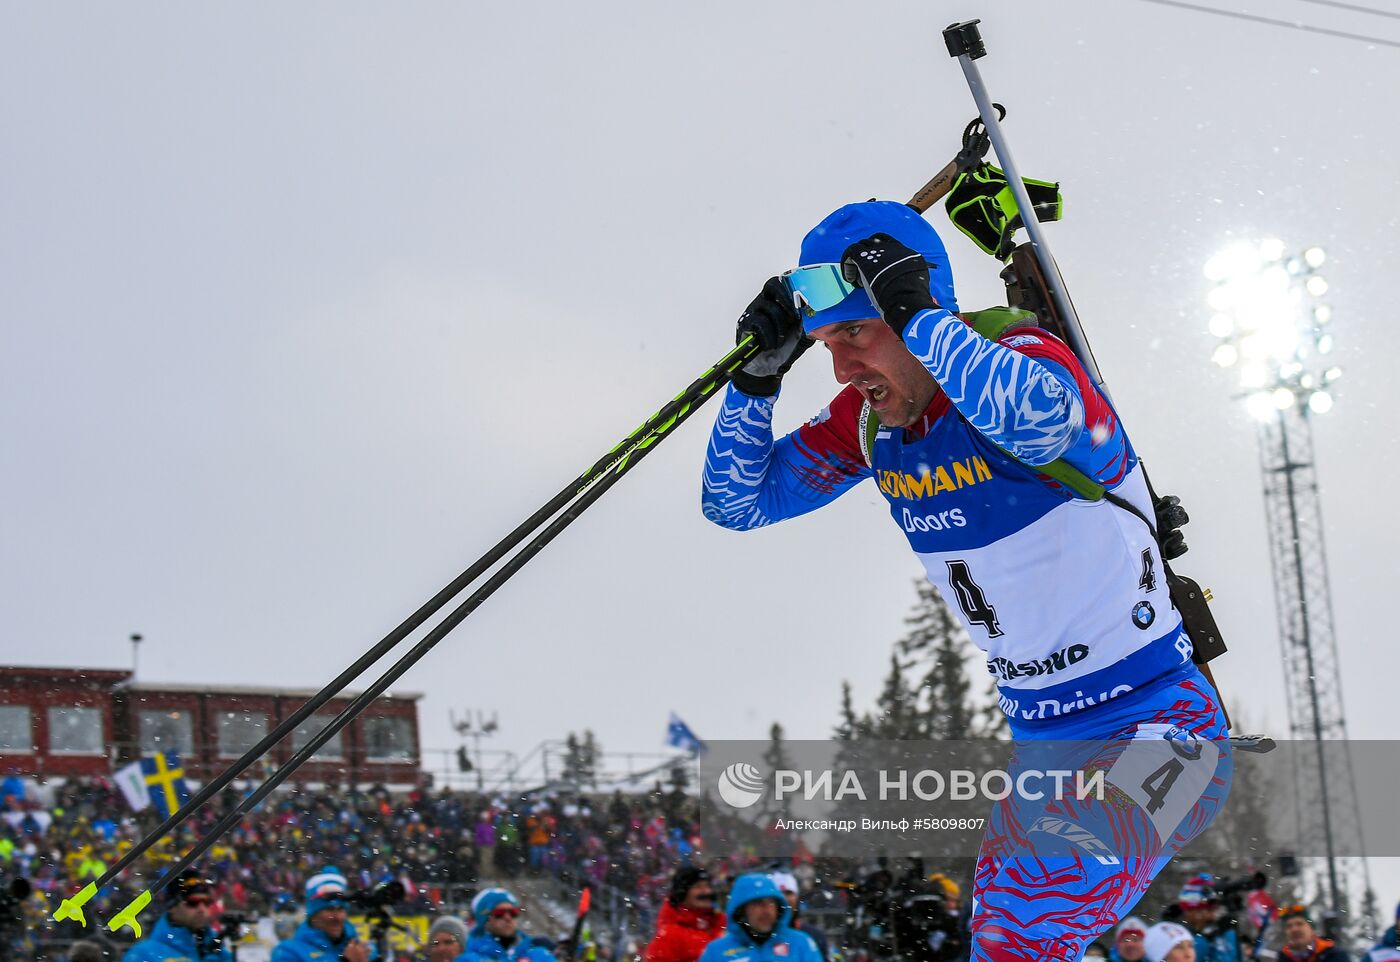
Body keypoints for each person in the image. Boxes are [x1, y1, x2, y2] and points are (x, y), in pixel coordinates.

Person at [699, 200, 1234, 962]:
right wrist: (754, 384)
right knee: (1002, 946)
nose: (844, 367)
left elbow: (1042, 421)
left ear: (914, 307)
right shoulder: (870, 420)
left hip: (1164, 730)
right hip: (1044, 746)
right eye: (823, 344)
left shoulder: (1018, 355)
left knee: (1026, 932)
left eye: (855, 332)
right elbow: (736, 501)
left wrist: (919, 316)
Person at [697, 873, 822, 962]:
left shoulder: (801, 943)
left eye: (771, 903)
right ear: (741, 910)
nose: (766, 910)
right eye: (757, 903)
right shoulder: (717, 951)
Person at [122, 870, 233, 962]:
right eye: (193, 902)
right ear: (172, 906)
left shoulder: (220, 950)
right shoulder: (143, 954)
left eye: (207, 902)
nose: (202, 909)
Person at [271, 868, 373, 962]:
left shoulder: (362, 951)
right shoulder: (288, 952)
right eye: (329, 909)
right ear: (313, 915)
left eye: (341, 909)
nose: (337, 917)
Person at [643, 866, 726, 962]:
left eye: (708, 886)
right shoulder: (668, 937)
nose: (706, 891)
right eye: (698, 887)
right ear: (682, 894)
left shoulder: (725, 923)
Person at [458, 888, 554, 962]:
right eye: (499, 913)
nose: (508, 918)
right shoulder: (469, 959)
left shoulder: (538, 955)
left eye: (512, 912)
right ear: (485, 919)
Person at [770, 871, 830, 962]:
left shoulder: (814, 936)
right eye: (780, 893)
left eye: (789, 893)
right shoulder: (759, 936)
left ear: (797, 897)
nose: (784, 898)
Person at [1178, 877, 1239, 962]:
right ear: (1190, 911)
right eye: (1208, 910)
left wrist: (1229, 933)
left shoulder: (1218, 932)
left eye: (1214, 910)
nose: (1212, 915)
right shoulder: (1177, 939)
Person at [1275, 904, 1349, 962]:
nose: (1294, 929)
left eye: (1299, 924)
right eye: (1289, 926)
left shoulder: (1334, 956)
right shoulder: (1282, 958)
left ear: (1312, 930)